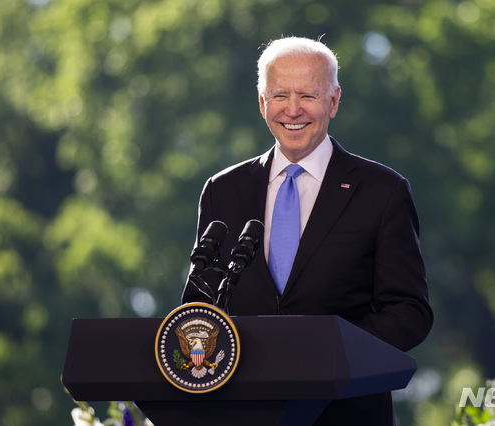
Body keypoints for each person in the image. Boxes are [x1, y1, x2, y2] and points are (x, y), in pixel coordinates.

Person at [181, 36, 433, 425]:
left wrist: (329, 352)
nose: (293, 110)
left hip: (346, 411)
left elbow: (409, 311)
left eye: (308, 96)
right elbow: (200, 307)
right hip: (242, 411)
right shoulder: (222, 191)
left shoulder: (382, 191)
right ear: (262, 103)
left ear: (333, 101)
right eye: (280, 95)